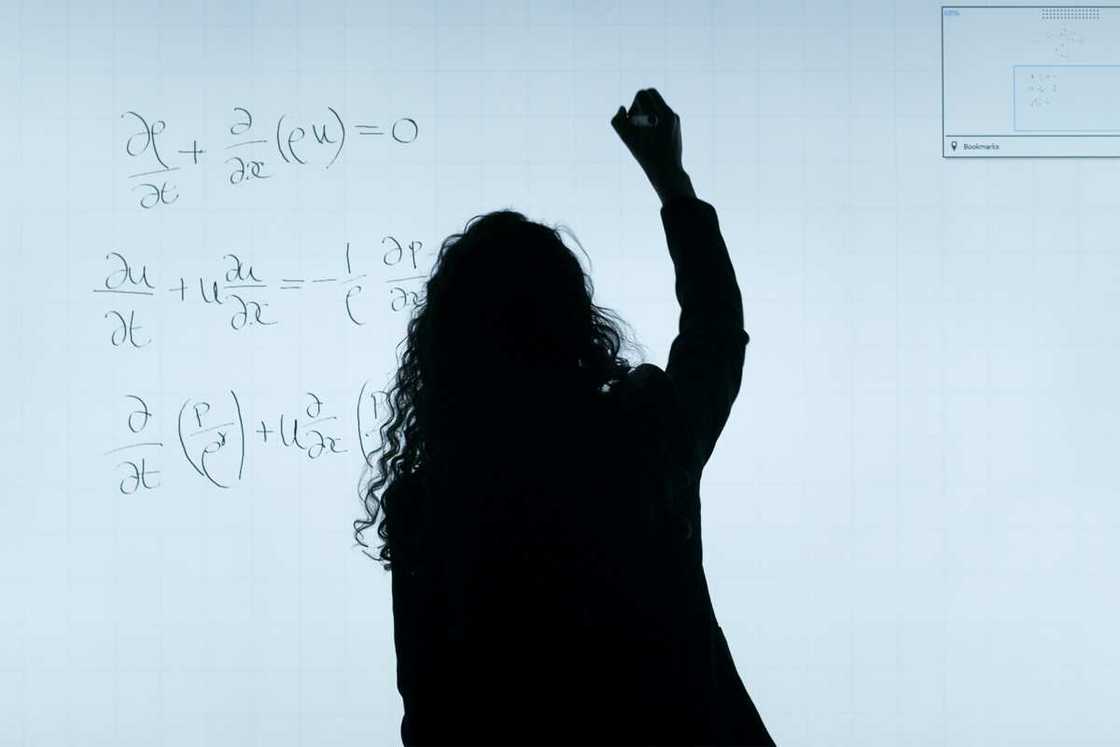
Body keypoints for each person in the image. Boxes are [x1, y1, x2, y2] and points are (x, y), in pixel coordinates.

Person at [354, 88, 775, 746]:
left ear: (446, 350)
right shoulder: (641, 439)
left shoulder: (430, 506)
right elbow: (716, 335)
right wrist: (671, 180)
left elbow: (432, 715)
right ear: (576, 326)